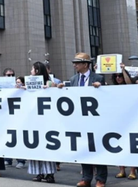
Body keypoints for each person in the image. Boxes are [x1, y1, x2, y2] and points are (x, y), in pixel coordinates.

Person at [57, 53, 106, 187]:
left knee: (98, 148)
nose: (74, 65)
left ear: (85, 64)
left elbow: (106, 97)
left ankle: (101, 179)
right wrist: (62, 89)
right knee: (84, 148)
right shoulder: (73, 79)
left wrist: (100, 87)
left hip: (95, 120)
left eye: (77, 63)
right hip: (80, 120)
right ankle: (86, 178)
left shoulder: (98, 78)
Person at [27, 61, 57, 183]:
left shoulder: (49, 82)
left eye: (32, 69)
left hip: (46, 121)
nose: (31, 72)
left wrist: (50, 88)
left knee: (47, 146)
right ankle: (38, 172)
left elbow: (55, 88)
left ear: (37, 71)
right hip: (33, 120)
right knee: (34, 145)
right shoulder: (29, 83)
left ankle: (49, 173)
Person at [2, 67, 26, 168]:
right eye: (8, 75)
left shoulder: (19, 88)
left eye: (12, 75)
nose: (10, 77)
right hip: (6, 116)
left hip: (18, 116)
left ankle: (20, 160)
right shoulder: (2, 86)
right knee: (7, 138)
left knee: (18, 138)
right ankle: (8, 158)